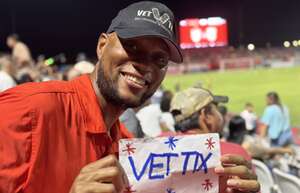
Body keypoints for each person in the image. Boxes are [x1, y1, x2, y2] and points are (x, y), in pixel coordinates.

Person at [0, 2, 259, 193]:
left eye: (159, 59)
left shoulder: (129, 145)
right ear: (102, 46)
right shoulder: (27, 110)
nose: (144, 65)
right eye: (132, 46)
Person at [169, 86, 260, 193]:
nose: (220, 114)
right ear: (206, 115)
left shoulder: (156, 148)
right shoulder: (233, 154)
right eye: (216, 108)